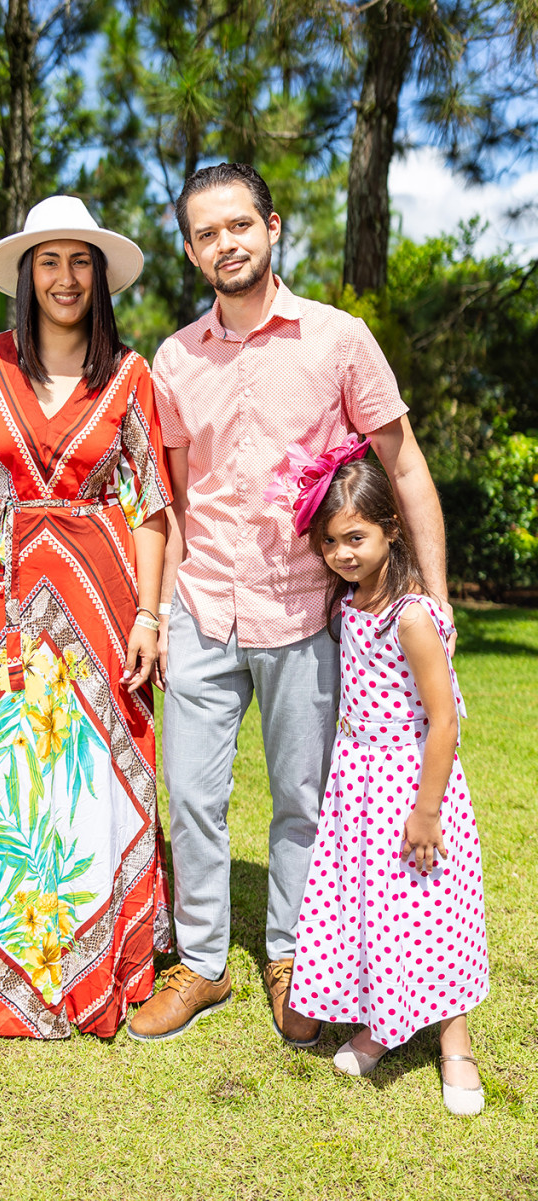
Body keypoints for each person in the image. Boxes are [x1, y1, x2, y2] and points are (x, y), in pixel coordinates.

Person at [128, 162, 451, 1046]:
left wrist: (440, 597)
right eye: (206, 233)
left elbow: (405, 465)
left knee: (301, 800)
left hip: (306, 612)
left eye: (239, 225)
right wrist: (160, 608)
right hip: (203, 606)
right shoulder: (174, 357)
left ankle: (288, 955)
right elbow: (174, 494)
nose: (225, 243)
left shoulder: (339, 340)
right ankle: (200, 963)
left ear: (272, 227)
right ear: (191, 252)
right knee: (191, 796)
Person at [0, 195, 172, 1039]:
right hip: (3, 592)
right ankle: (9, 964)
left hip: (104, 600)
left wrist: (150, 613)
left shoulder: (133, 375)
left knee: (93, 777)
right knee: (11, 772)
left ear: (99, 276)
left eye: (80, 262)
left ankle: (103, 957)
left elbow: (151, 503)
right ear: (27, 275)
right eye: (49, 261)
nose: (65, 278)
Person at [286, 447, 488, 1116]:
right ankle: (384, 1022)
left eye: (357, 537)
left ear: (390, 531)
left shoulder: (411, 616)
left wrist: (426, 810)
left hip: (412, 784)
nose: (343, 552)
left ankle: (453, 1037)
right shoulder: (348, 606)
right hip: (361, 788)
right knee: (375, 907)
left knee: (430, 912)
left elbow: (443, 722)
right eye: (332, 541)